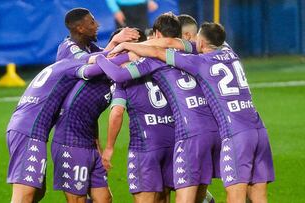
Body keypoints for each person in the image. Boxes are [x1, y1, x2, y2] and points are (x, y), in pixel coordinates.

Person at [109, 22, 275, 203]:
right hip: (259, 129)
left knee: (234, 195)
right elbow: (173, 43)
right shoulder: (230, 51)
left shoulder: (199, 62)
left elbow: (160, 51)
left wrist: (122, 46)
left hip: (233, 133)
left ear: (202, 43)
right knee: (259, 195)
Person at [96, 12, 218, 203]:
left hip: (145, 145)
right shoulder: (190, 54)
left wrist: (101, 58)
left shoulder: (144, 65)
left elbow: (117, 109)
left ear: (156, 34)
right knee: (176, 195)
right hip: (179, 140)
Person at [5, 50, 130, 202]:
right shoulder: (72, 68)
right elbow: (94, 68)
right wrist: (130, 55)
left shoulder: (64, 64)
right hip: (32, 132)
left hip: (28, 129)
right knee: (24, 196)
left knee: (37, 192)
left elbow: (97, 58)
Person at [101, 30, 174, 203]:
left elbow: (117, 111)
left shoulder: (122, 77)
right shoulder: (160, 62)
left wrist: (109, 147)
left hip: (145, 145)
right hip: (174, 140)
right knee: (164, 197)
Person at [56, 8, 140, 62]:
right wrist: (115, 42)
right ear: (80, 29)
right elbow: (89, 61)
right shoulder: (69, 48)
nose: (97, 25)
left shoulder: (88, 45)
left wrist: (117, 43)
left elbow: (104, 56)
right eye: (92, 23)